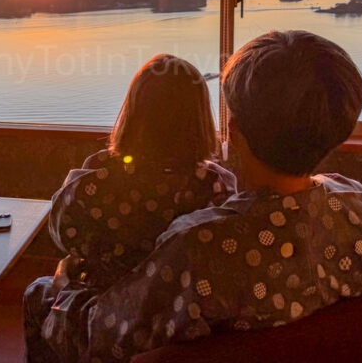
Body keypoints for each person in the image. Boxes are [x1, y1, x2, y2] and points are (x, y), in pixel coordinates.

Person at [25, 30, 362, 363]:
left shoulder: (197, 247)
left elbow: (103, 339)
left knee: (40, 296)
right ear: (340, 128)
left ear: (234, 129)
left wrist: (64, 291)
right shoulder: (358, 206)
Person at [25, 54, 237, 361]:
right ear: (200, 118)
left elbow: (63, 235)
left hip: (101, 317)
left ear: (134, 113)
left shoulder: (97, 177)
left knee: (36, 293)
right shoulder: (216, 185)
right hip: (177, 319)